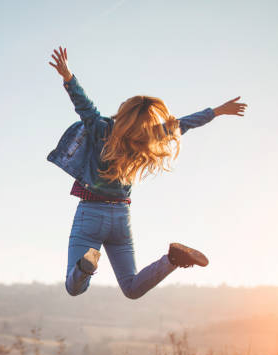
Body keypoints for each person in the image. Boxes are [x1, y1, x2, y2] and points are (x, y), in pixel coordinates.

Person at [48, 47, 247, 299]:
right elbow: (183, 124)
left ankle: (85, 267)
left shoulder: (101, 129)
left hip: (91, 213)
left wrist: (67, 76)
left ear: (124, 111)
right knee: (131, 288)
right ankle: (173, 259)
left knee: (74, 287)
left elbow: (83, 105)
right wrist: (217, 111)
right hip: (121, 216)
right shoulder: (147, 139)